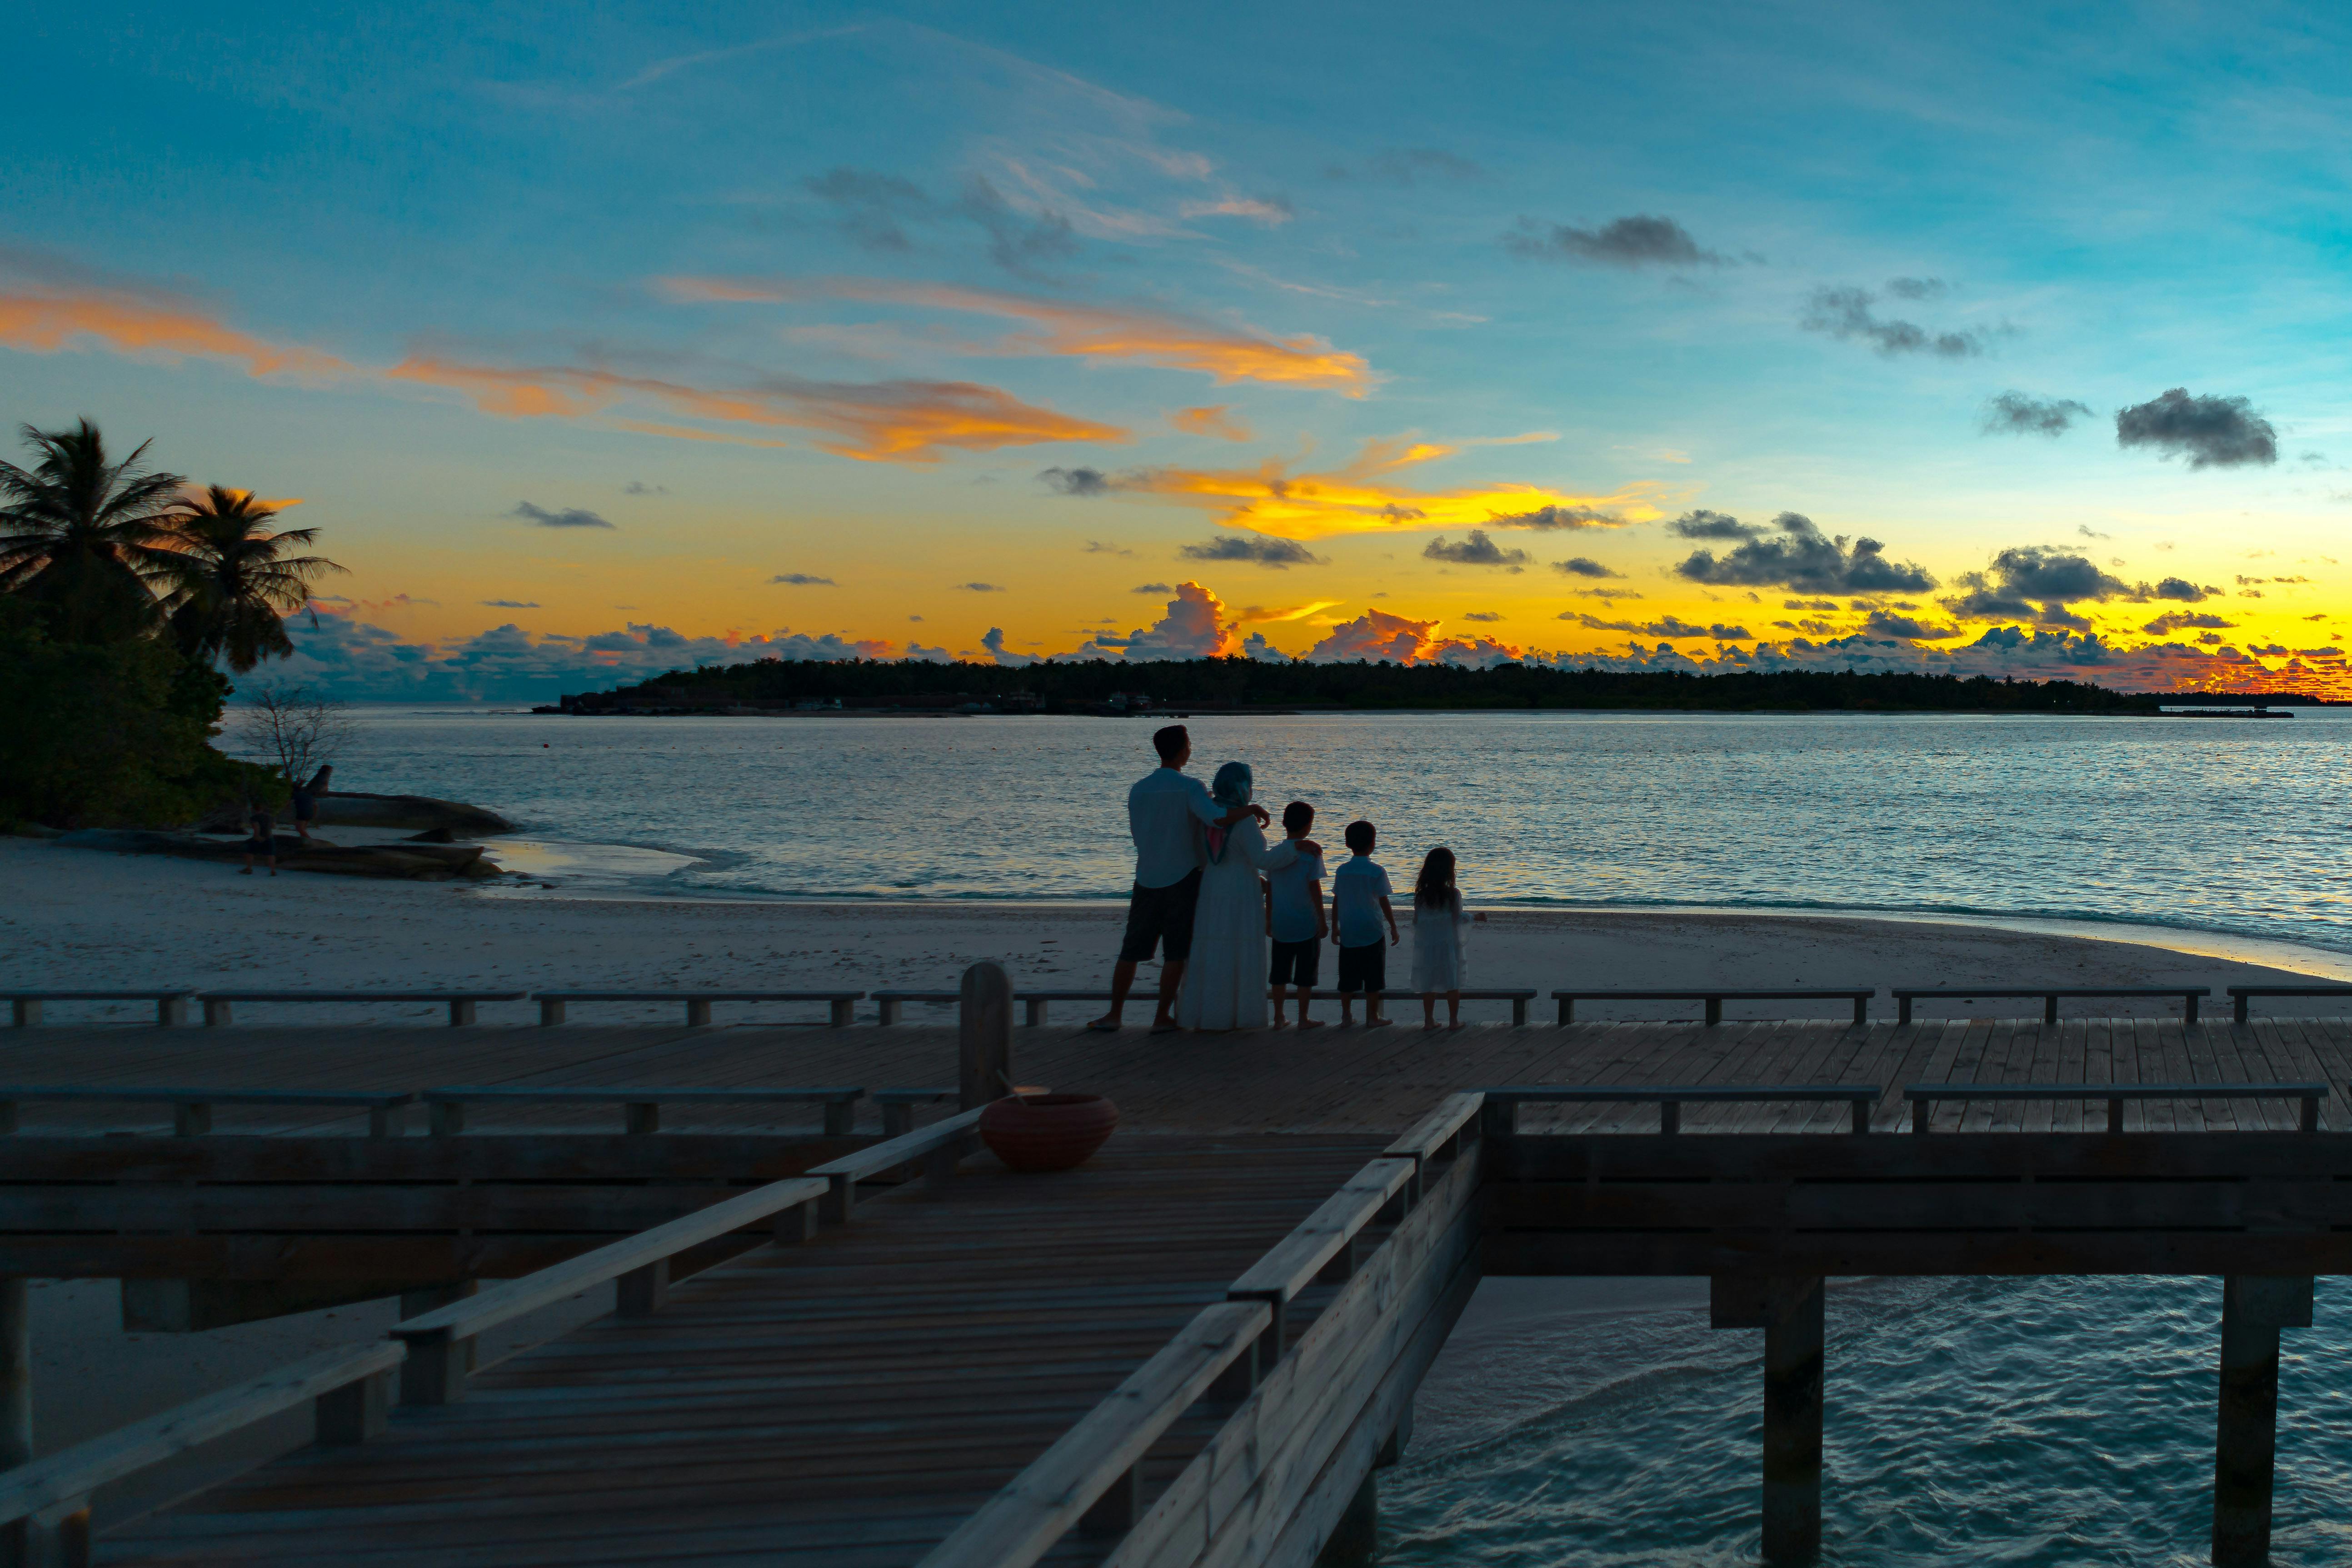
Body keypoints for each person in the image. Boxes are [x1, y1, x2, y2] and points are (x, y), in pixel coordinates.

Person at [1091, 725, 1268, 1034]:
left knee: (1131, 950)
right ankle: (1161, 1016)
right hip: (1183, 877)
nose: (1190, 748)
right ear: (1183, 749)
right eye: (1189, 744)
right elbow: (1215, 818)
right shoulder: (1190, 787)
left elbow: (1136, 835)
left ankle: (1114, 1014)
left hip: (1146, 875)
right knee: (1175, 951)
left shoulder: (1139, 788)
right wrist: (1249, 809)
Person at [1178, 764, 1314, 1031]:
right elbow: (1262, 859)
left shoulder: (1210, 815)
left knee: (1214, 946)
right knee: (1239, 946)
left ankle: (1210, 1014)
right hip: (1240, 889)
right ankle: (1239, 1014)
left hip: (1212, 885)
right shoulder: (1243, 820)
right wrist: (1294, 847)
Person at [1264, 801, 1327, 1029]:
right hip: (1306, 921)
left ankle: (1279, 1017)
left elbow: (1270, 890)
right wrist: (1322, 919)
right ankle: (1303, 1017)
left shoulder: (1275, 855)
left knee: (1279, 973)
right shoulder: (1312, 854)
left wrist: (1268, 918)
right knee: (1305, 974)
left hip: (1281, 921)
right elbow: (1315, 889)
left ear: (1283, 824)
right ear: (1309, 826)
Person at [1331, 820, 1398, 1027]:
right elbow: (1383, 900)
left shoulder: (1342, 871)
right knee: (1373, 977)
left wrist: (1335, 926)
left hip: (1349, 931)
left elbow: (1337, 899)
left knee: (1347, 977)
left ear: (1348, 844)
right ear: (1373, 844)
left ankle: (1346, 1016)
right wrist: (1393, 925)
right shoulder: (1377, 871)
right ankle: (1373, 1016)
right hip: (1372, 929)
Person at [1411, 846, 1473, 1030]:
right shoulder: (1453, 894)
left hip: (1427, 945)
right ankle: (1453, 1021)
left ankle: (1429, 1020)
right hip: (1448, 945)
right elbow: (1458, 918)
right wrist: (1475, 917)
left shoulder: (1421, 895)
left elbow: (1417, 921)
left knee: (1428, 983)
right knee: (1452, 983)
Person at [240, 807, 278, 876]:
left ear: (254, 810)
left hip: (259, 837)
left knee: (249, 852)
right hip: (269, 837)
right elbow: (274, 826)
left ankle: (249, 869)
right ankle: (273, 871)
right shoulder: (270, 816)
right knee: (271, 854)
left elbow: (257, 827)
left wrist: (257, 836)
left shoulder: (254, 817)